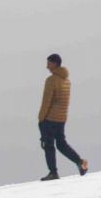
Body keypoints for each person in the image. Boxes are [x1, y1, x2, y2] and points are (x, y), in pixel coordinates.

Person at [38, 53, 89, 181]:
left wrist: (41, 118)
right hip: (61, 118)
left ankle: (53, 172)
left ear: (54, 64)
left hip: (49, 118)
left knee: (48, 145)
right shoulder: (66, 80)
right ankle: (80, 162)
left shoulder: (51, 80)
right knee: (61, 144)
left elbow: (46, 101)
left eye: (48, 63)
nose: (47, 66)